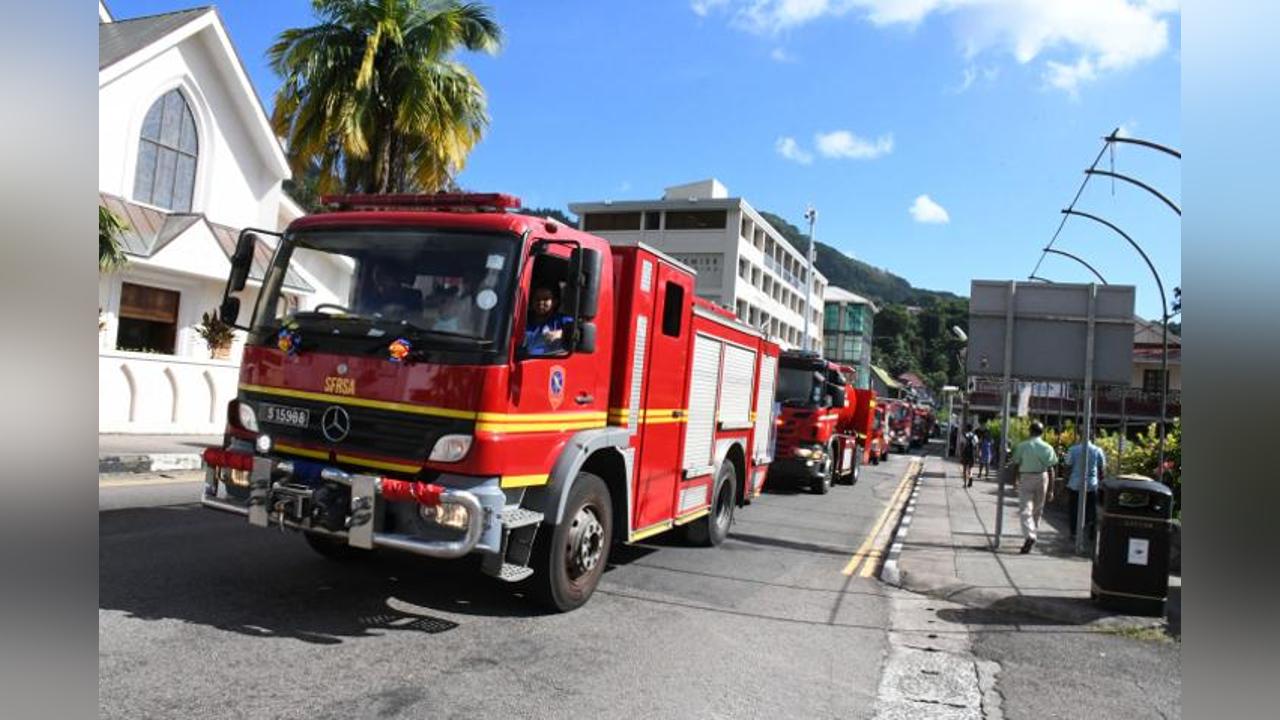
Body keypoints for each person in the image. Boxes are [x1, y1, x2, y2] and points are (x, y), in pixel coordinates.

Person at [1009, 420, 1058, 554]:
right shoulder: (1048, 447)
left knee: (1025, 510)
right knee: (1038, 510)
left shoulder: (1022, 446)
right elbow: (1051, 469)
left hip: (1026, 477)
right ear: (1042, 432)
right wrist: (1051, 489)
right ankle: (1032, 536)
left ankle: (1030, 536)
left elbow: (1016, 464)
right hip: (1042, 477)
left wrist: (1015, 481)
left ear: (1030, 431)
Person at [1065, 435, 1107, 542]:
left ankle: (1074, 533)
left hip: (1075, 484)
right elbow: (1101, 469)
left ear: (1080, 437)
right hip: (1092, 484)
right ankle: (1091, 533)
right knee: (1092, 510)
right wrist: (1101, 483)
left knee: (1074, 509)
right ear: (1093, 438)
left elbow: (1068, 467)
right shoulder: (1097, 450)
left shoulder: (1073, 450)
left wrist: (1066, 482)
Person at [523, 285, 572, 356]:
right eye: (537, 299)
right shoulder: (523, 319)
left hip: (550, 360)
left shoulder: (561, 320)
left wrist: (561, 334)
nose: (541, 302)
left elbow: (576, 330)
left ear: (554, 302)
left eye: (546, 299)